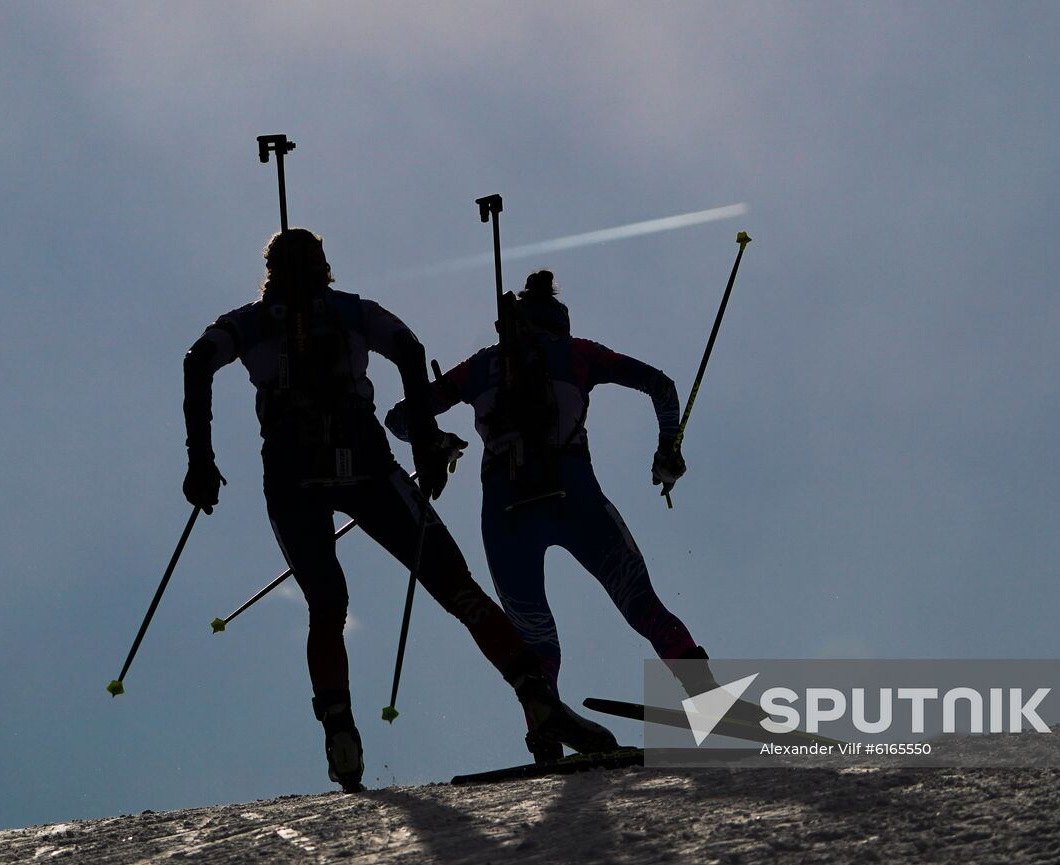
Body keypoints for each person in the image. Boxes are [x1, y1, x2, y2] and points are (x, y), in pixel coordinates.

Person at [181, 231, 616, 791]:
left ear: (270, 272)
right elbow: (408, 347)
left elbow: (198, 360)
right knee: (454, 584)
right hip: (367, 461)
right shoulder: (353, 309)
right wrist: (425, 444)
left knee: (326, 605)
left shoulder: (246, 320)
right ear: (324, 267)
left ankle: (340, 730)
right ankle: (535, 695)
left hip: (290, 472)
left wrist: (201, 458)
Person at [385, 269, 712, 762]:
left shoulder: (480, 366)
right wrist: (669, 449)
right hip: (576, 499)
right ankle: (711, 703)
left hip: (506, 515)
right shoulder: (579, 353)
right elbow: (661, 386)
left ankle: (545, 742)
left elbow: (399, 419)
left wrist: (437, 443)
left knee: (537, 643)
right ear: (560, 322)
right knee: (644, 607)